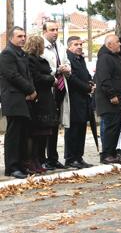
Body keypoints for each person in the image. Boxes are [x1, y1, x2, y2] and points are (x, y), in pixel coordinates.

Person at [0, 27, 36, 179]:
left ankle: (21, 164)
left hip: (24, 98)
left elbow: (28, 75)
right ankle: (12, 167)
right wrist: (30, 90)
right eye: (19, 36)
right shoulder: (7, 53)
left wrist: (31, 90)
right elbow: (12, 76)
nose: (23, 38)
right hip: (13, 98)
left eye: (24, 36)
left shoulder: (22, 54)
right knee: (13, 134)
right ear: (11, 38)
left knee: (23, 133)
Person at [25, 36, 58, 175]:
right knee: (36, 132)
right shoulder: (30, 60)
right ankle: (33, 160)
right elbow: (37, 78)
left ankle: (39, 159)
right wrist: (51, 79)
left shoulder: (40, 59)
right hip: (39, 100)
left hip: (46, 99)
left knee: (44, 132)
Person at [41, 21, 71, 170]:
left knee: (56, 125)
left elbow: (67, 62)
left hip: (61, 87)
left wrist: (67, 68)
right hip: (49, 88)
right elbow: (42, 68)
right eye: (52, 29)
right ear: (44, 31)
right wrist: (57, 70)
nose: (55, 32)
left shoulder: (59, 46)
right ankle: (44, 158)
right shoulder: (42, 47)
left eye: (57, 29)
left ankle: (53, 157)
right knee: (47, 125)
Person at [95, 35, 121, 164]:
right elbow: (104, 79)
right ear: (109, 44)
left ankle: (112, 153)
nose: (120, 44)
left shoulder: (115, 57)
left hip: (118, 100)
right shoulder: (105, 58)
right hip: (109, 102)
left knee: (115, 128)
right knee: (110, 128)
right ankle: (107, 154)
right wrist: (112, 95)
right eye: (117, 42)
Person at [64, 36, 95, 169]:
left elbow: (86, 75)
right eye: (76, 44)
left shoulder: (80, 59)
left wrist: (91, 82)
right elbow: (72, 78)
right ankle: (71, 158)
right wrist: (86, 87)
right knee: (73, 129)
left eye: (81, 44)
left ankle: (79, 156)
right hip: (73, 98)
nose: (79, 47)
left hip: (83, 99)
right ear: (70, 47)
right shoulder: (68, 59)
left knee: (82, 128)